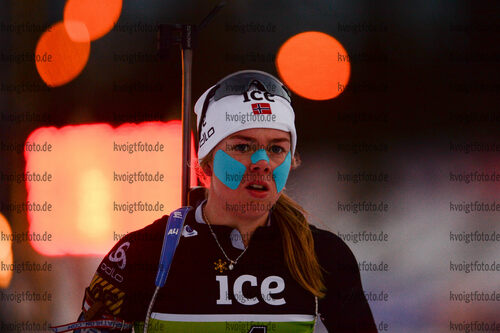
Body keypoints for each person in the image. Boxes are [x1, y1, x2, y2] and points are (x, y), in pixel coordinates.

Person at [55, 70, 377, 333]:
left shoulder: (324, 256)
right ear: (206, 162)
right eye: (242, 146)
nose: (262, 163)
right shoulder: (142, 254)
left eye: (277, 148)